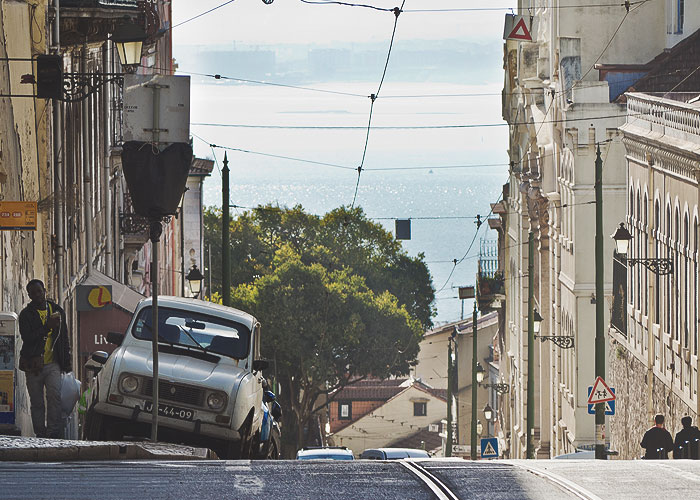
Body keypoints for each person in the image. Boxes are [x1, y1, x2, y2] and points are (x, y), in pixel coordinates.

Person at [18, 279, 71, 438]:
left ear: (44, 291)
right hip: (33, 364)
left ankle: (53, 432)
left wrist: (66, 362)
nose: (37, 295)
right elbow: (27, 338)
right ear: (29, 296)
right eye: (33, 293)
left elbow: (64, 338)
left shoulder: (57, 311)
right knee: (37, 402)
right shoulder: (26, 315)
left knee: (54, 397)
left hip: (53, 363)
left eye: (39, 291)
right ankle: (40, 433)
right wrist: (46, 327)